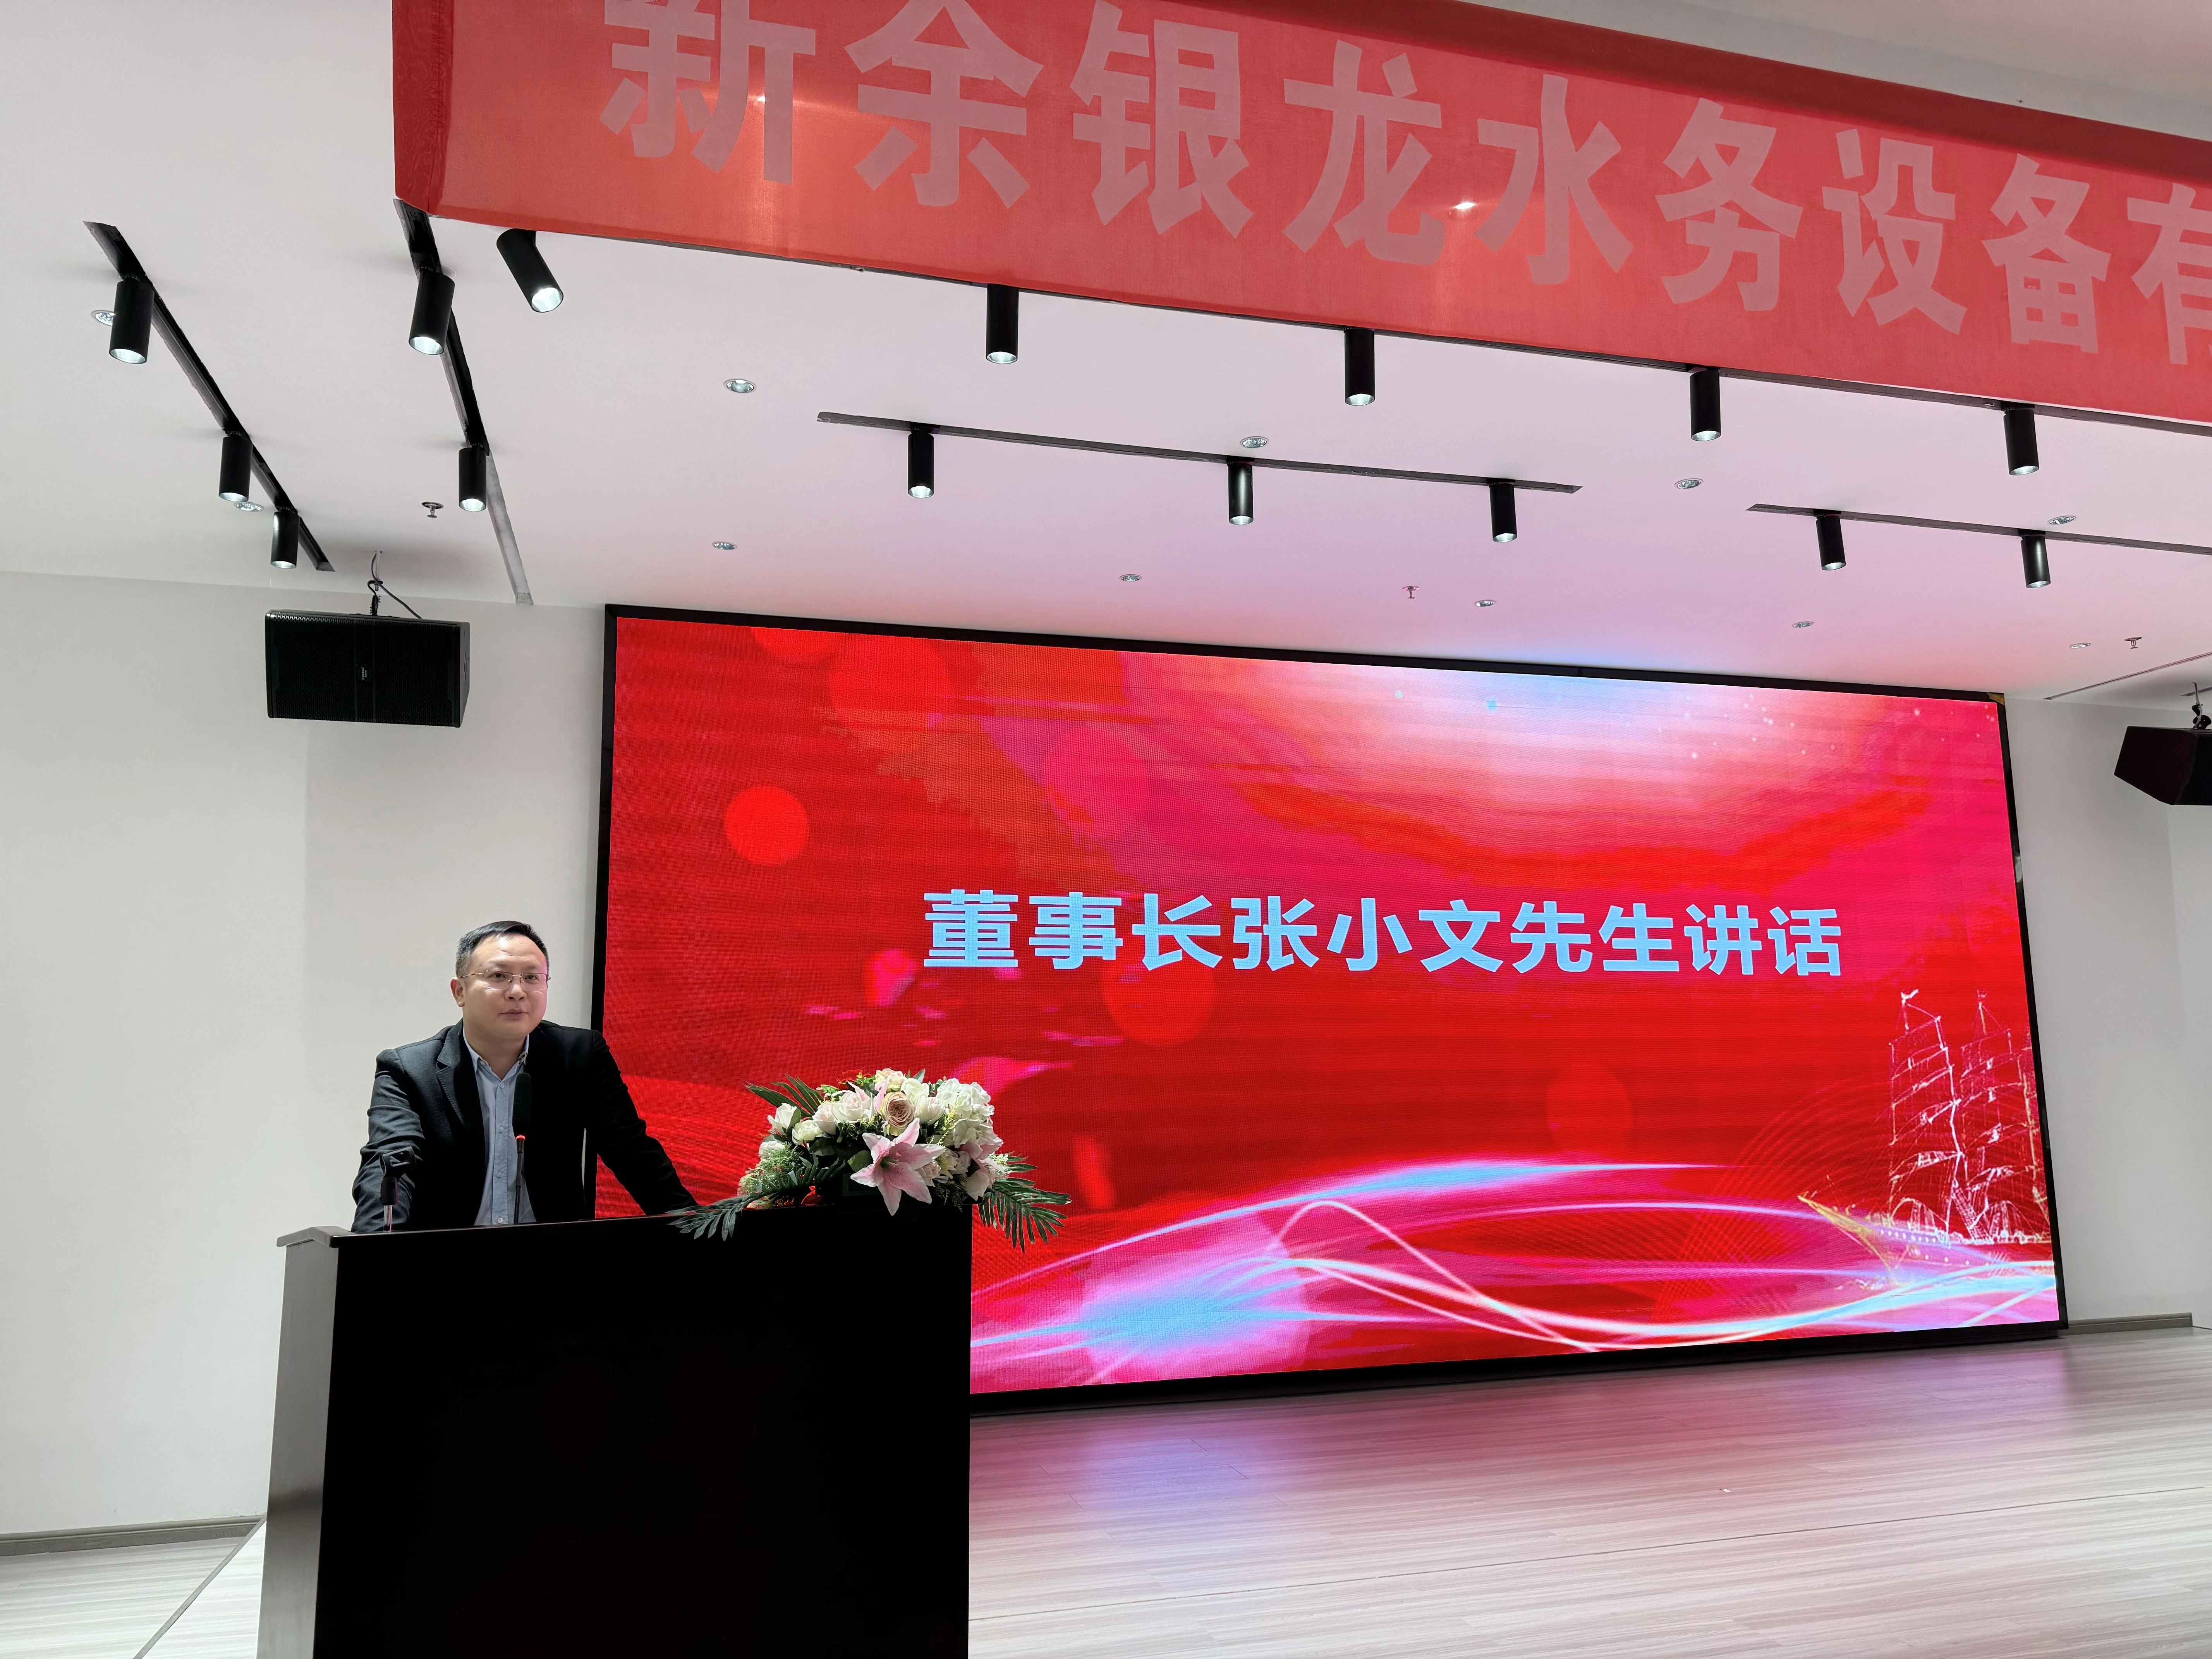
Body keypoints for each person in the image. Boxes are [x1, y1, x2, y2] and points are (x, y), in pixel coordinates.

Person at [350, 920, 696, 1231]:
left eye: (532, 978)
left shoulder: (580, 1056)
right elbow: (390, 1164)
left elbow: (633, 1152)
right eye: (498, 976)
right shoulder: (408, 1070)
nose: (517, 992)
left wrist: (699, 1231)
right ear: (459, 991)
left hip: (550, 1261)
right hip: (446, 1263)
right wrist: (370, 1252)